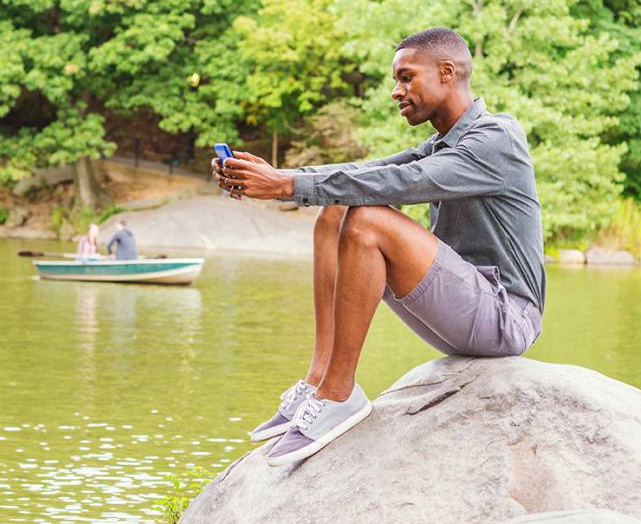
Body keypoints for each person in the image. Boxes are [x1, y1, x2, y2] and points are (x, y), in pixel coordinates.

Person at [211, 27, 545, 467]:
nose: (396, 91)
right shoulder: (441, 143)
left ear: (447, 73)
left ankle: (339, 394)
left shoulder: (495, 138)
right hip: (467, 307)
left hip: (506, 317)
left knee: (366, 220)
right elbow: (365, 171)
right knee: (335, 209)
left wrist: (284, 186)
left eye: (406, 78)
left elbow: (404, 182)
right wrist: (278, 175)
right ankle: (319, 379)